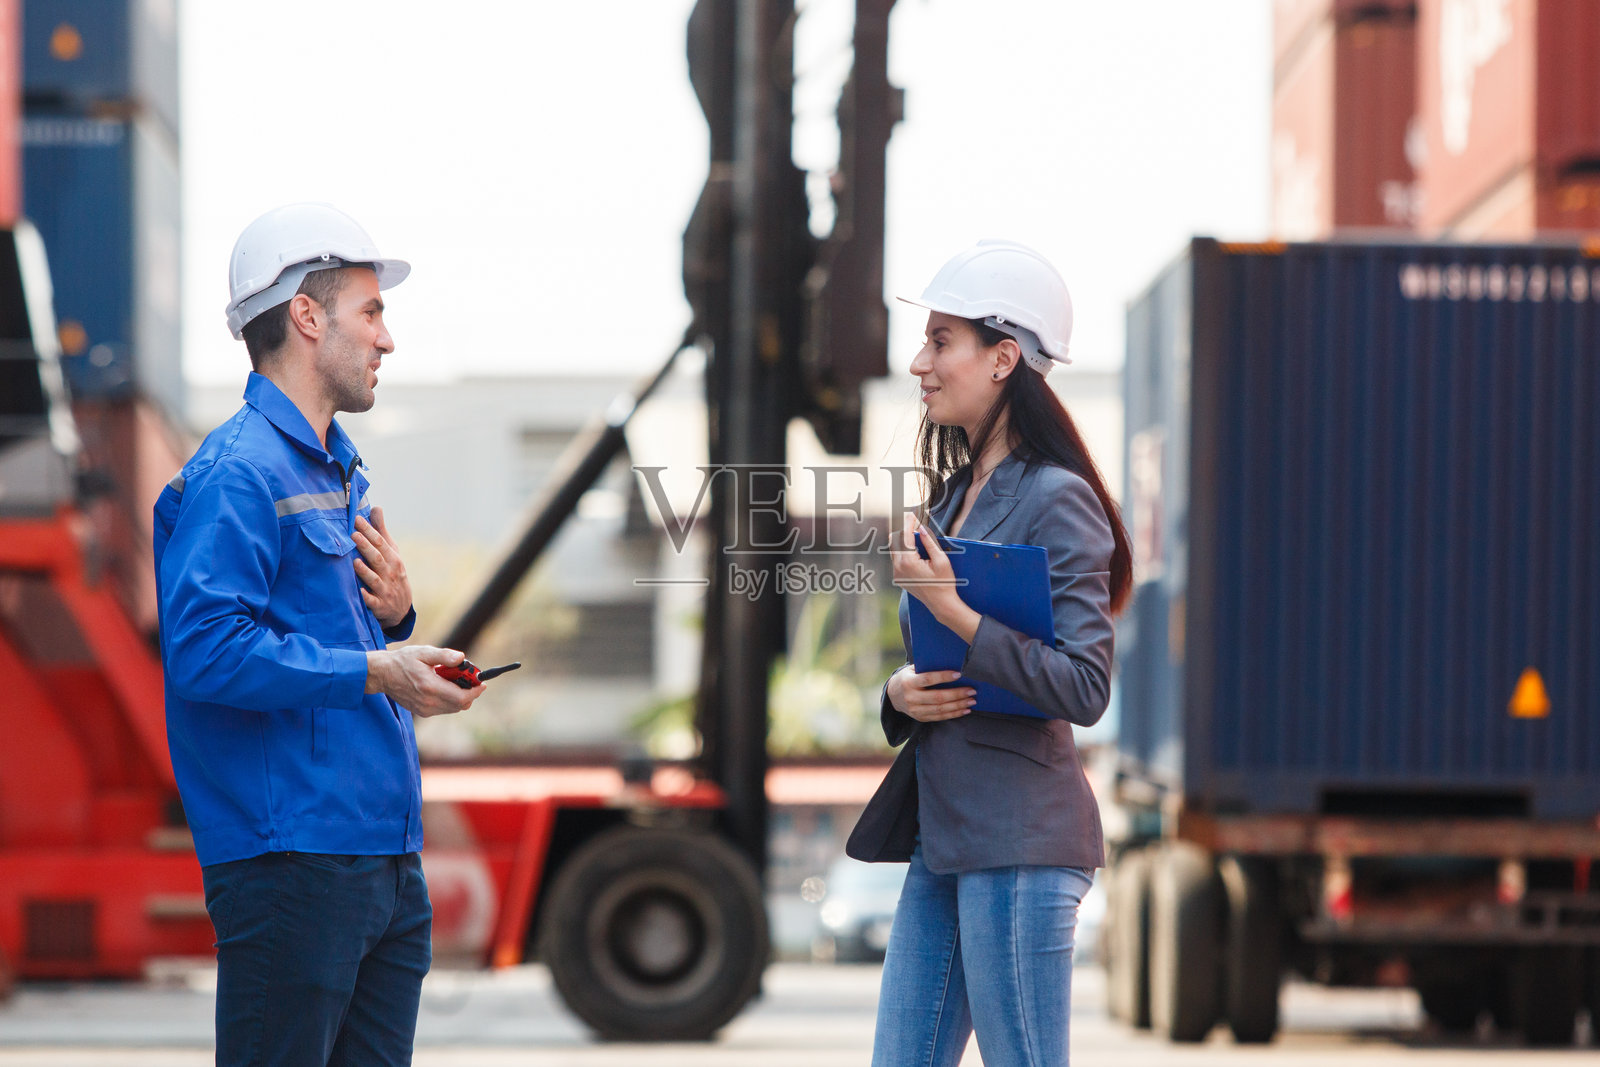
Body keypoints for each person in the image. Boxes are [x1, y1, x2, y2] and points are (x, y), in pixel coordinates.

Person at [153, 202, 486, 1065]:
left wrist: (398, 617)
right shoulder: (237, 473)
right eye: (370, 312)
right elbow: (205, 651)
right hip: (292, 861)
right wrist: (380, 668)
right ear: (307, 315)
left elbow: (332, 633)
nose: (386, 339)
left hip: (380, 857)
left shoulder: (338, 467)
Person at [848, 240, 1133, 1066]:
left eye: (941, 341)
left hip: (1020, 837)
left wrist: (957, 613)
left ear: (1004, 357)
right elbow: (933, 656)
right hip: (945, 835)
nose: (919, 363)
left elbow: (1085, 685)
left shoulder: (1057, 497)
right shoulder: (949, 502)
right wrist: (899, 690)